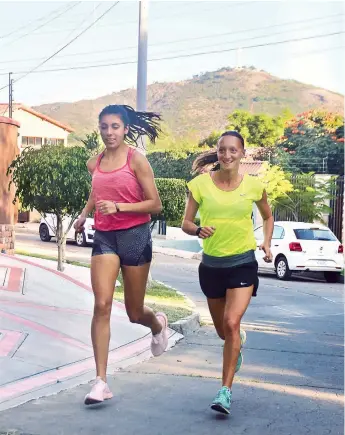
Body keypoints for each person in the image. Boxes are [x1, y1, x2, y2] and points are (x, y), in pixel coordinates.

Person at [74, 104, 168, 406]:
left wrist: (120, 207)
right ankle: (100, 381)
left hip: (135, 236)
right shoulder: (95, 162)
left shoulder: (136, 161)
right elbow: (97, 190)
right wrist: (84, 213)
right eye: (104, 127)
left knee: (134, 312)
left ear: (126, 129)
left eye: (115, 126)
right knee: (101, 305)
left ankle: (157, 325)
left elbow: (156, 204)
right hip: (105, 237)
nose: (109, 132)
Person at [181, 130, 273, 415]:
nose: (227, 155)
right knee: (223, 331)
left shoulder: (255, 186)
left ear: (242, 154)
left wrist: (267, 243)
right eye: (222, 150)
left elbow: (268, 215)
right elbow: (185, 222)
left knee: (232, 322)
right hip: (211, 265)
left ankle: (224, 392)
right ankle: (237, 343)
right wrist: (198, 229)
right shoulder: (199, 185)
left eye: (234, 150)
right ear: (217, 153)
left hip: (243, 261)